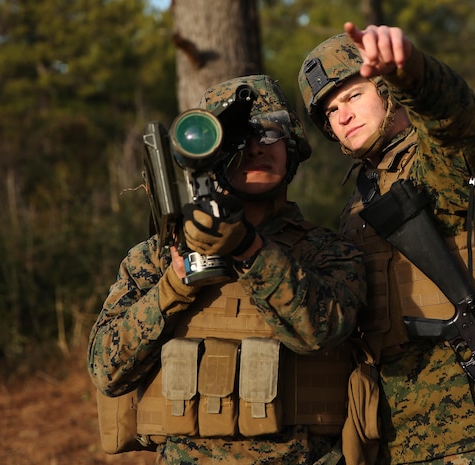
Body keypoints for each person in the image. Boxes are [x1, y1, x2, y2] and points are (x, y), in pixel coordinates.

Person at [298, 23, 475, 465]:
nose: (342, 116)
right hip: (398, 438)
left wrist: (413, 73)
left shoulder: (442, 165)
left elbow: (457, 123)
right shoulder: (358, 203)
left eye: (353, 95)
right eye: (330, 111)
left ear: (386, 90)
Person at [88, 74, 366, 465]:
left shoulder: (326, 251)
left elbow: (323, 331)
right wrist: (173, 286)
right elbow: (106, 369)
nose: (255, 149)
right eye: (238, 139)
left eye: (269, 135)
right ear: (211, 153)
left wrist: (248, 250)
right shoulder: (155, 257)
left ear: (292, 148)